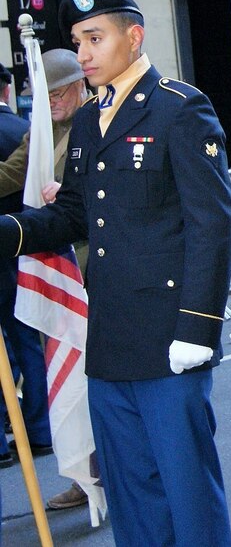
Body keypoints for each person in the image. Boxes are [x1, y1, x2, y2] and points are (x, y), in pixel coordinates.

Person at [0, 0, 231, 545]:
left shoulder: (180, 108)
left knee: (186, 490)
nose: (83, 52)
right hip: (108, 339)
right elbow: (75, 213)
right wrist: (8, 231)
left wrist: (198, 328)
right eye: (78, 40)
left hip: (169, 338)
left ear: (134, 36)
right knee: (132, 493)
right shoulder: (87, 121)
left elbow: (213, 224)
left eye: (95, 37)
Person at [0, 49, 91, 508]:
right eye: (43, 95)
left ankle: (110, 473)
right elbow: (10, 175)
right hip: (58, 270)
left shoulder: (99, 122)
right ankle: (87, 475)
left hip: (92, 269)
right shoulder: (40, 133)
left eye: (58, 93)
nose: (52, 102)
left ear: (80, 85)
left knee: (96, 382)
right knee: (69, 380)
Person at [0, 64, 47, 470]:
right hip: (26, 252)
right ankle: (40, 428)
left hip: (20, 247)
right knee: (29, 342)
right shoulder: (22, 130)